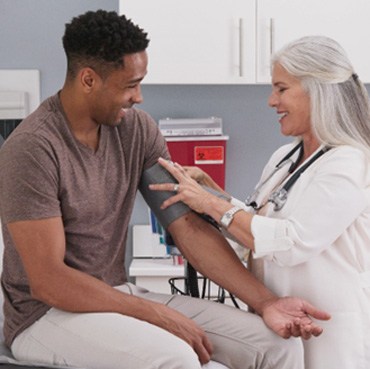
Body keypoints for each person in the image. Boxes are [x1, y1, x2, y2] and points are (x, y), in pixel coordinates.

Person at [0, 11, 330, 369]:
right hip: (44, 316)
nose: (139, 97)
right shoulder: (32, 148)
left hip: (115, 294)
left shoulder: (136, 130)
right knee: (176, 358)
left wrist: (266, 303)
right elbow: (48, 281)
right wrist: (157, 314)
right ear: (89, 80)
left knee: (277, 346)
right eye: (129, 85)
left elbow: (186, 225)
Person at [150, 35, 370, 369]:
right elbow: (257, 223)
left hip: (329, 333)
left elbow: (292, 241)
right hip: (282, 324)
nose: (271, 101)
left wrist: (212, 204)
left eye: (281, 89)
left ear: (317, 91)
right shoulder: (286, 157)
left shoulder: (350, 163)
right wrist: (212, 192)